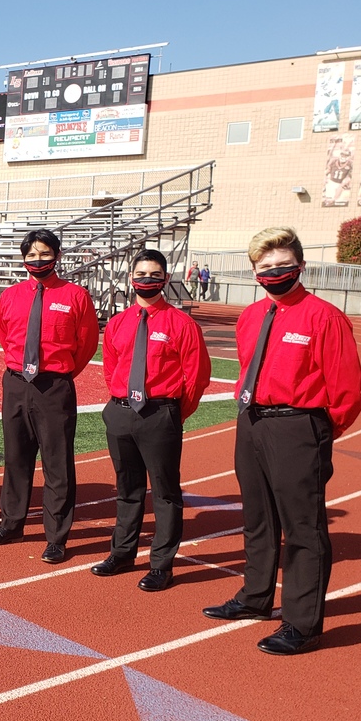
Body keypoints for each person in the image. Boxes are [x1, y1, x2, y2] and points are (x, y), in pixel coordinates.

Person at [203, 226, 361, 655]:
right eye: (266, 267)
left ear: (301, 266)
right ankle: (255, 598)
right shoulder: (252, 316)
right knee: (257, 517)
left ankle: (302, 623)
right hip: (252, 422)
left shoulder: (324, 316)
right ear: (255, 271)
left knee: (303, 528)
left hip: (298, 427)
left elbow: (346, 391)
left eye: (283, 265)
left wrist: (317, 436)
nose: (275, 272)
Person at [92, 249, 211, 591]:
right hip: (121, 414)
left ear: (166, 279)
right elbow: (112, 368)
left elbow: (197, 376)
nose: (147, 280)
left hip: (160, 415)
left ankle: (161, 564)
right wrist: (120, 403)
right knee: (127, 489)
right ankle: (122, 552)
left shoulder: (182, 324)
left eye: (154, 275)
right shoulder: (118, 322)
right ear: (131, 279)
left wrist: (172, 413)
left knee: (165, 492)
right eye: (141, 274)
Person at [0, 228, 99, 563]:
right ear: (23, 259)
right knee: (15, 458)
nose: (38, 260)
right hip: (16, 384)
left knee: (57, 464)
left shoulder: (75, 295)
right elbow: (5, 334)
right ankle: (11, 523)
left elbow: (86, 343)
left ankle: (57, 536)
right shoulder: (11, 296)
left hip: (54, 387)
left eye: (44, 253)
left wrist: (60, 374)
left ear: (57, 255)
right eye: (31, 255)